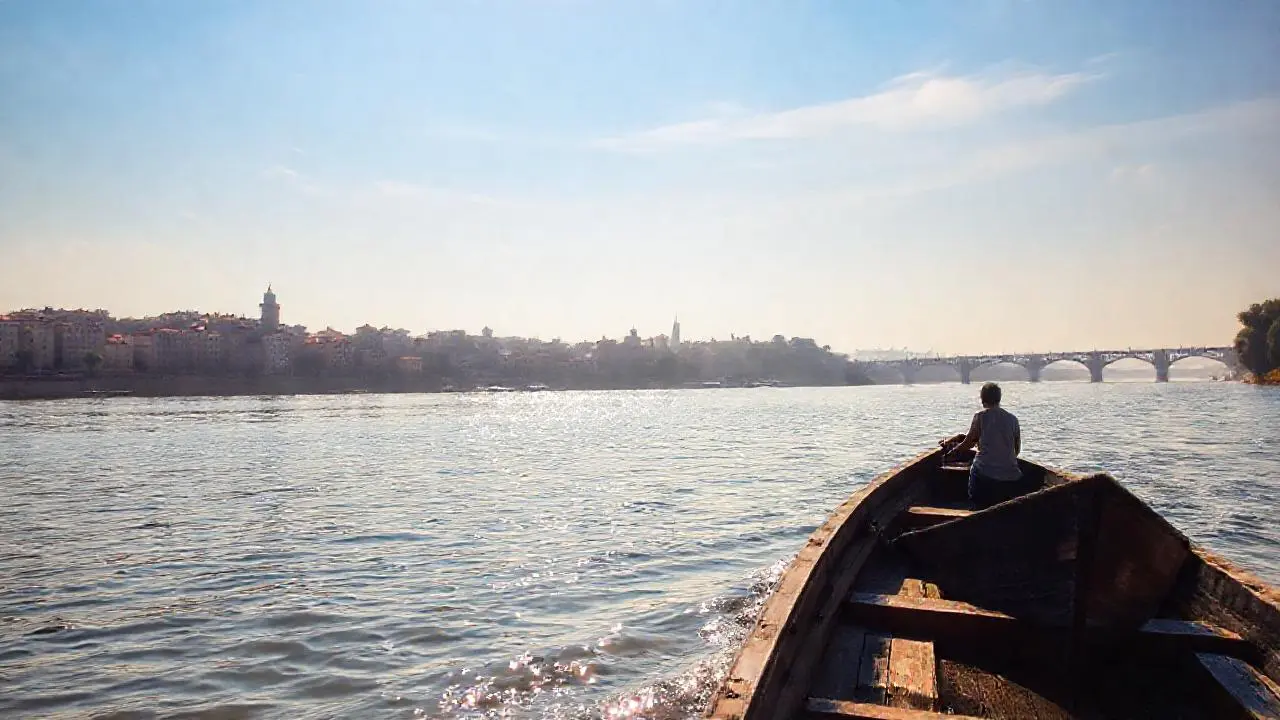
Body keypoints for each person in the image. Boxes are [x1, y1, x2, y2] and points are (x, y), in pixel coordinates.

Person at [944, 382, 1027, 507]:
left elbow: (968, 443)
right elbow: (1017, 450)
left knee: (976, 466)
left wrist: (952, 453)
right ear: (999, 398)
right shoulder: (1013, 419)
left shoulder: (981, 417)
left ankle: (975, 503)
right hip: (1012, 477)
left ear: (983, 400)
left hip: (986, 477)